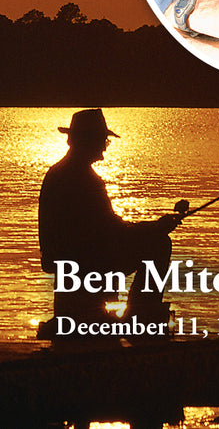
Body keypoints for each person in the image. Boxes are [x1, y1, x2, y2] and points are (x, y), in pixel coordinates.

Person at [38, 108, 185, 330]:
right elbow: (110, 230)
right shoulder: (85, 179)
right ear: (88, 141)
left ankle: (135, 313)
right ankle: (141, 315)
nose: (104, 147)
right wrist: (156, 228)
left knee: (153, 238)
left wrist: (151, 226)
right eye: (102, 141)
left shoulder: (59, 172)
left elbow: (106, 227)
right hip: (85, 258)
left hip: (71, 257)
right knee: (159, 244)